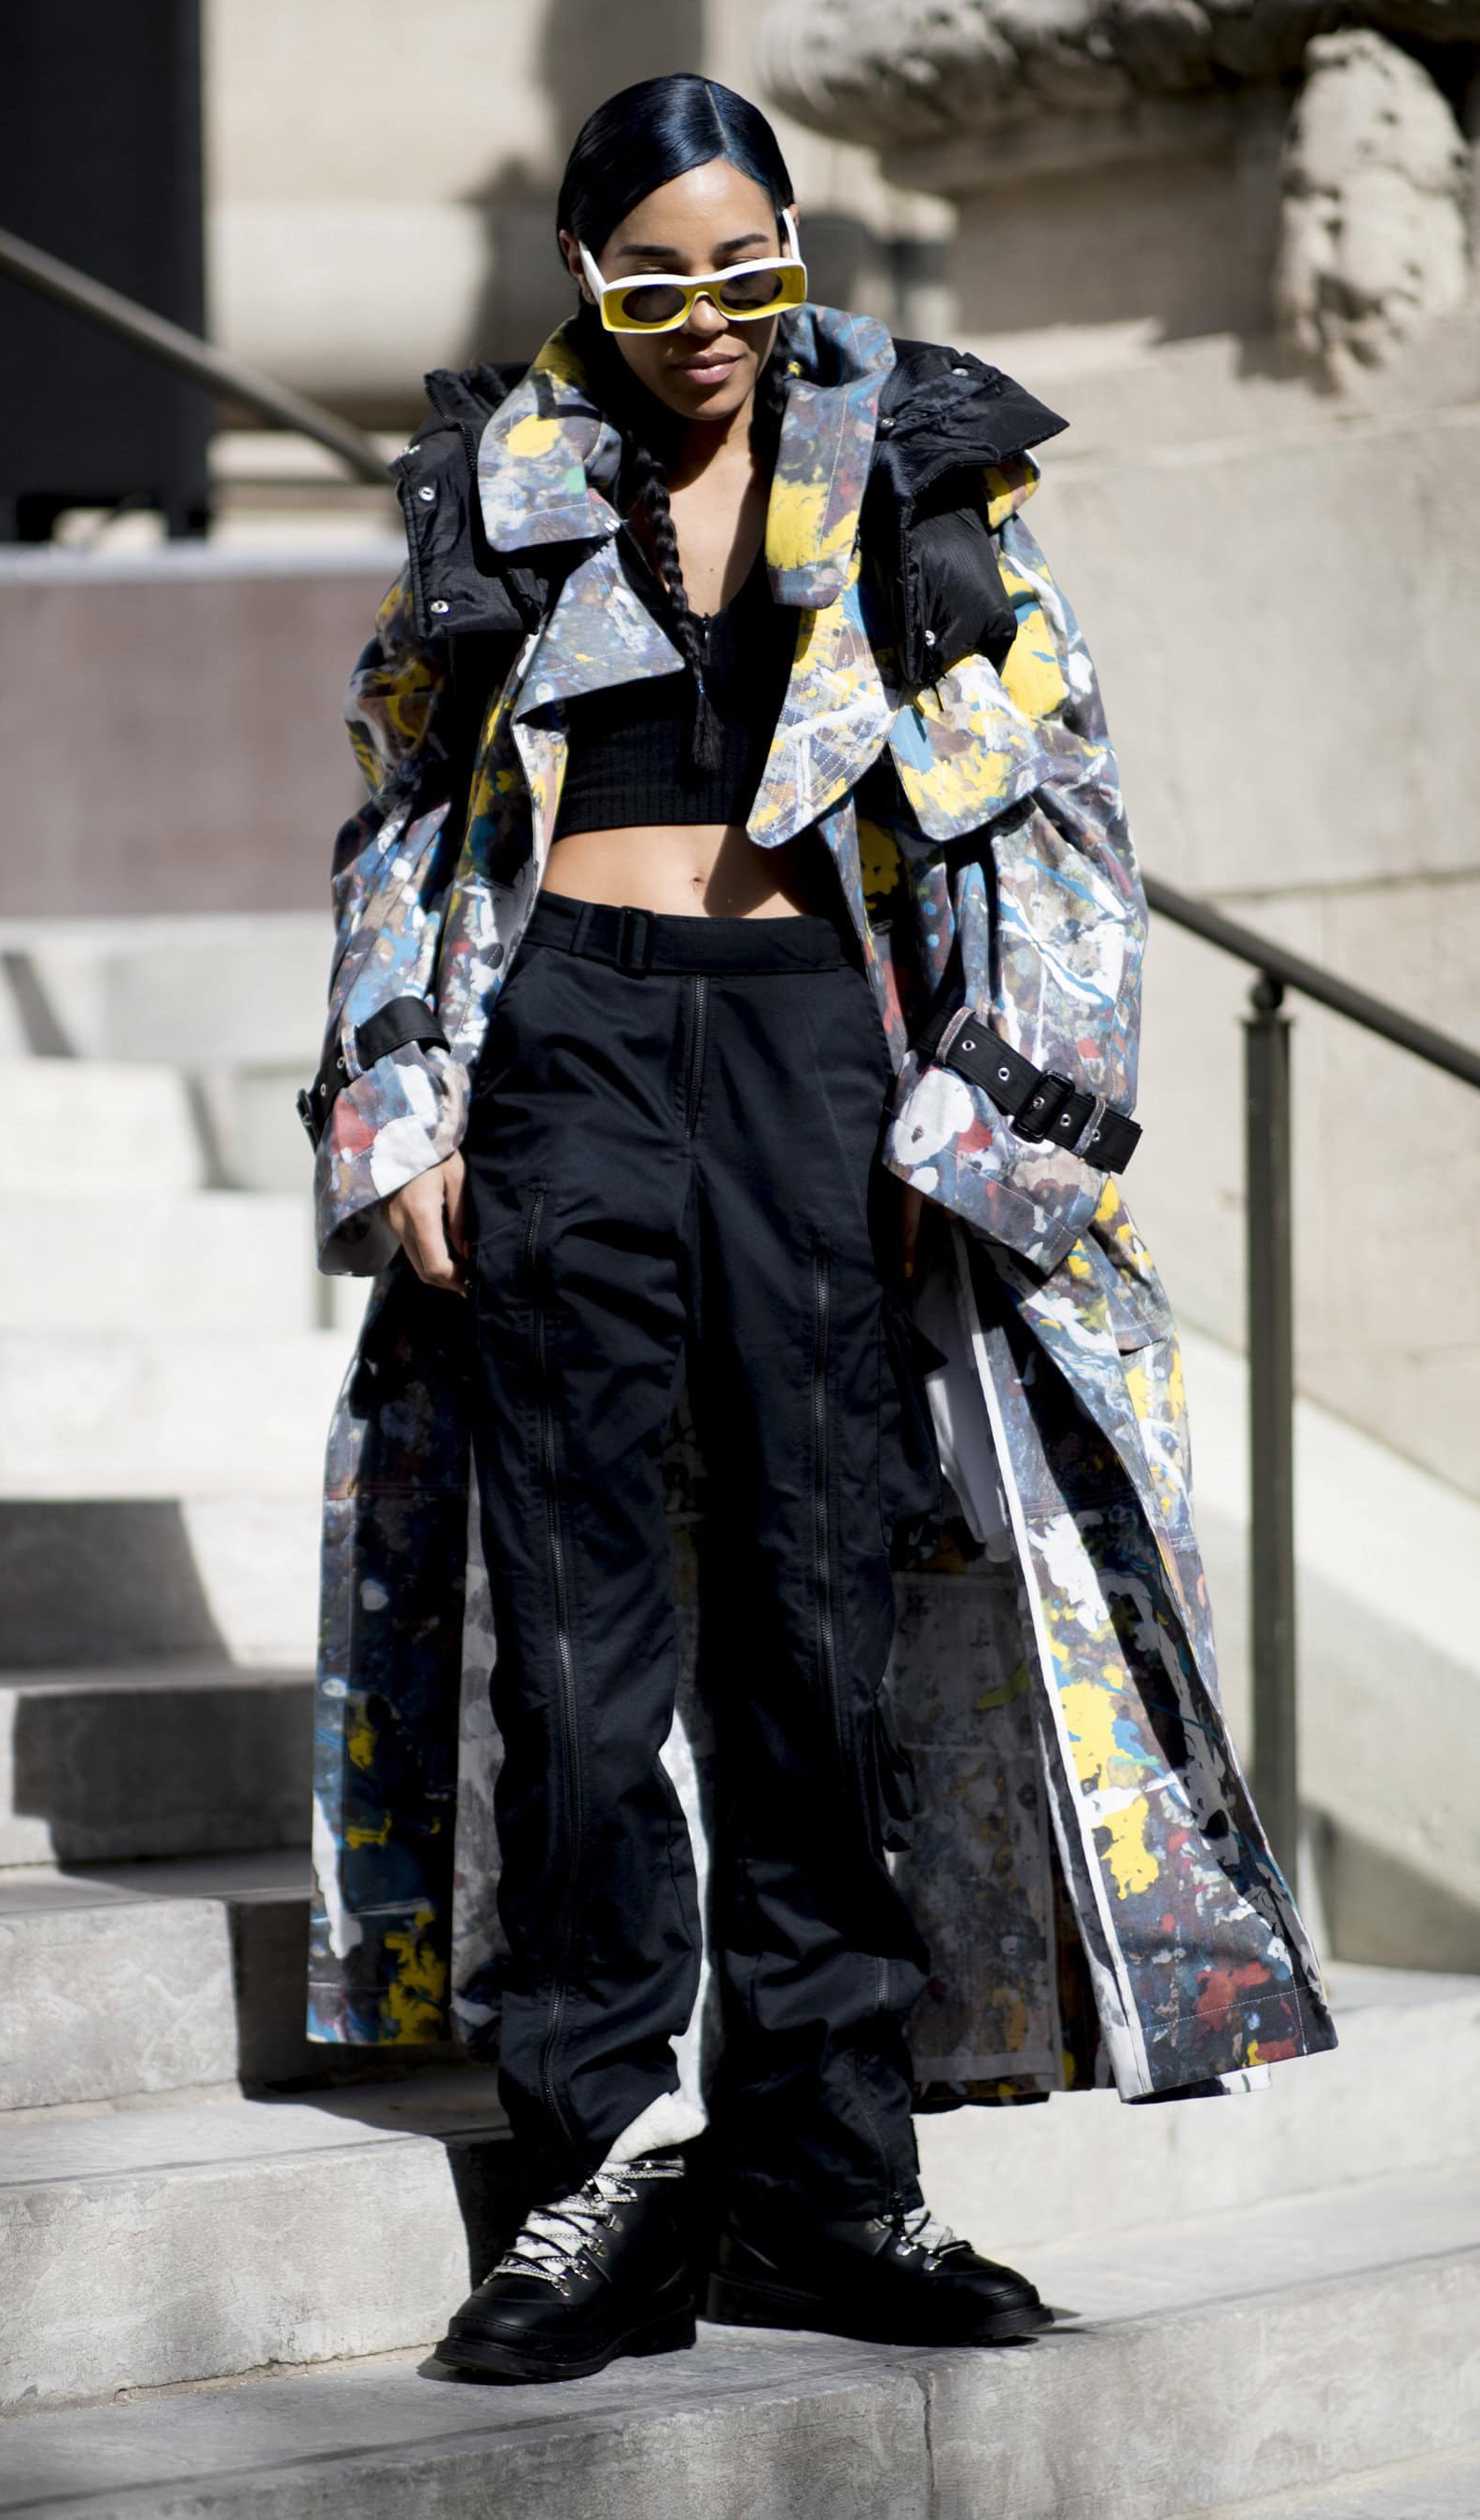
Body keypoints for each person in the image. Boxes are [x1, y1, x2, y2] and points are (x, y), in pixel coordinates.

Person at [300, 73, 1335, 2387]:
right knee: (578, 1650)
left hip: (816, 1061)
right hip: (564, 1044)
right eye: (657, 282)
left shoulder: (922, 469)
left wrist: (986, 1109)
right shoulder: (495, 485)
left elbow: (1060, 797)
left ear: (795, 251)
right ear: (586, 275)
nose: (709, 321)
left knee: (821, 1625)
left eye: (750, 271)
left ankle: (828, 2178)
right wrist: (402, 1094)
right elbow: (403, 808)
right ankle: (595, 2173)